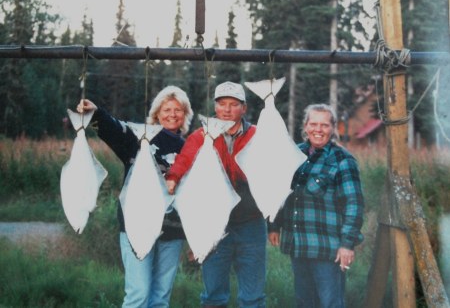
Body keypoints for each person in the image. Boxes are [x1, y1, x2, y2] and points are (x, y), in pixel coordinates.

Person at [76, 86, 193, 308]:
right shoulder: (136, 141)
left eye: (178, 109)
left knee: (160, 298)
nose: (172, 114)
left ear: (185, 114)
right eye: (167, 109)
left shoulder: (190, 148)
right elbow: (113, 130)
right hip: (136, 225)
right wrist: (96, 113)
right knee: (138, 294)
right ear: (157, 113)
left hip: (173, 230)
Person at [166, 81, 267, 308]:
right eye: (222, 104)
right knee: (213, 295)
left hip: (251, 224)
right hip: (212, 224)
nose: (227, 110)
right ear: (215, 107)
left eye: (233, 104)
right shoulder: (201, 135)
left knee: (253, 297)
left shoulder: (258, 135)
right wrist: (173, 177)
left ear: (244, 108)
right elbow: (184, 160)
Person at [268, 103, 364, 308]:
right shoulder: (294, 154)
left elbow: (354, 205)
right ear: (305, 126)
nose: (318, 130)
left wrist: (347, 244)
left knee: (330, 303)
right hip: (298, 245)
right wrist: (274, 225)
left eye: (324, 125)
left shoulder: (342, 160)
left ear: (333, 128)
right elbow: (279, 192)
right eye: (313, 124)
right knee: (304, 303)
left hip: (328, 250)